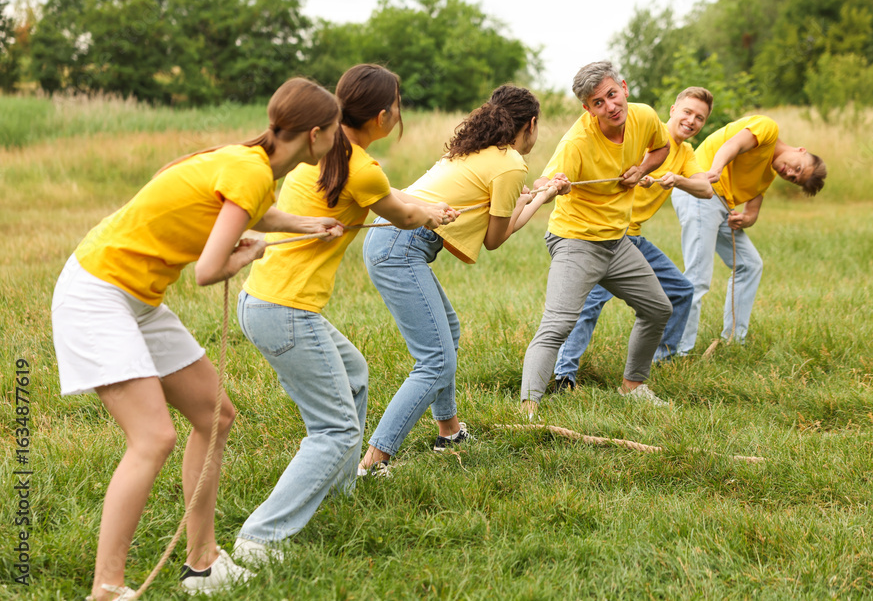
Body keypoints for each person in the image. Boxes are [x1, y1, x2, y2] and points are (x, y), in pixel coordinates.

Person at [51, 78, 345, 601]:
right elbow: (209, 270)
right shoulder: (252, 171)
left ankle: (202, 564)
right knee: (153, 438)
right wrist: (250, 253)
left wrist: (306, 224)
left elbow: (252, 211)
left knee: (215, 417)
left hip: (138, 296)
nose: (338, 138)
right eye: (336, 129)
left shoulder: (253, 165)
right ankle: (106, 589)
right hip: (98, 292)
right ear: (316, 134)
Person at [231, 64, 454, 565]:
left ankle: (339, 493)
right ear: (381, 116)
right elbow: (402, 214)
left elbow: (392, 199)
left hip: (263, 301)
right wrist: (433, 213)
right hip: (286, 311)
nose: (399, 113)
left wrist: (426, 205)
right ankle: (260, 539)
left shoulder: (327, 154)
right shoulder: (360, 167)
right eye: (397, 105)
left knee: (354, 375)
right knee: (335, 431)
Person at [360, 84, 556, 475]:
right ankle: (374, 461)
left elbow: (488, 209)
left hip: (389, 237)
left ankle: (449, 432)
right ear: (531, 124)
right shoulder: (511, 162)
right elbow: (495, 238)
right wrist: (539, 199)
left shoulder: (475, 149)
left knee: (447, 332)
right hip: (400, 246)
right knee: (435, 359)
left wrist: (525, 198)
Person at [519, 61, 674, 413]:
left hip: (616, 242)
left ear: (624, 87)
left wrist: (642, 168)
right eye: (598, 103)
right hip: (575, 240)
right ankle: (528, 409)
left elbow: (661, 148)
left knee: (658, 309)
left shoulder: (644, 116)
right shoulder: (577, 142)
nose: (610, 106)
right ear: (587, 109)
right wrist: (553, 185)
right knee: (558, 325)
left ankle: (633, 386)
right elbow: (544, 181)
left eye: (612, 95)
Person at [551, 87, 716, 390]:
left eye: (700, 118)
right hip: (608, 235)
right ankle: (564, 376)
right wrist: (639, 171)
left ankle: (661, 360)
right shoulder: (641, 132)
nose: (692, 121)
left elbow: (706, 189)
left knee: (681, 290)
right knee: (590, 303)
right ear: (673, 110)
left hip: (635, 237)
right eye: (687, 112)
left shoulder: (685, 153)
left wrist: (678, 180)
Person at [672, 115, 827, 352]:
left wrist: (746, 219)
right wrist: (716, 169)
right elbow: (732, 145)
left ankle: (734, 341)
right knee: (698, 275)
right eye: (797, 168)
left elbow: (752, 211)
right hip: (700, 190)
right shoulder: (767, 128)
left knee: (750, 264)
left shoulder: (769, 173)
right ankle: (678, 350)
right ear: (801, 150)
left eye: (794, 179)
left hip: (720, 204)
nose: (790, 173)